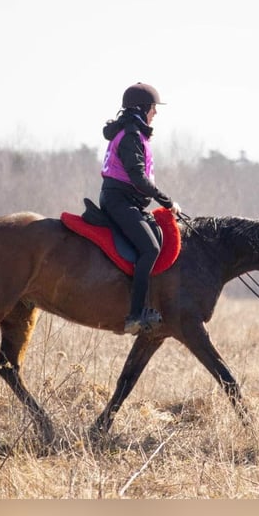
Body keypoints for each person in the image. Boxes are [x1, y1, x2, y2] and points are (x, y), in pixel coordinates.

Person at [99, 82, 181, 335]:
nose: (155, 112)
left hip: (127, 201)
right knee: (150, 248)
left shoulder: (134, 132)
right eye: (153, 108)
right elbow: (138, 179)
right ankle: (135, 315)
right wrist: (167, 201)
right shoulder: (132, 135)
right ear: (142, 108)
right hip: (120, 201)